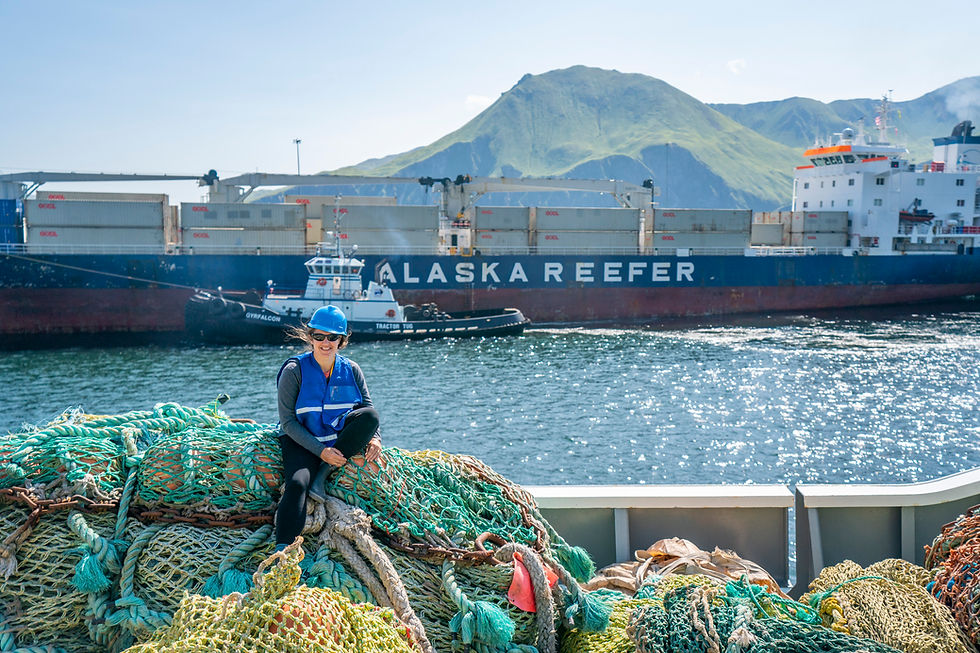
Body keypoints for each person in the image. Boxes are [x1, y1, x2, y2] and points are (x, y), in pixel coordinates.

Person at [274, 305, 382, 550]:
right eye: (319, 336)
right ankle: (282, 550)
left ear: (341, 340)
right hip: (301, 437)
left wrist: (375, 438)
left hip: (336, 436)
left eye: (332, 337)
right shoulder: (294, 371)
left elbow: (367, 407)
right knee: (298, 483)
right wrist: (320, 451)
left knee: (370, 416)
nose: (325, 342)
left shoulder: (351, 370)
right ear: (310, 337)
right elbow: (288, 422)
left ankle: (322, 474)